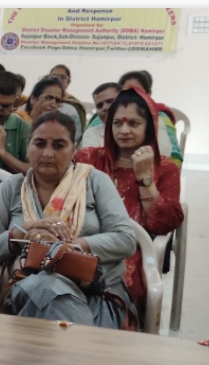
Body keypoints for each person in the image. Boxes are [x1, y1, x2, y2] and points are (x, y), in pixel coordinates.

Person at [0, 112, 138, 330]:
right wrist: (22, 233)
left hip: (97, 293)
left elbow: (126, 239)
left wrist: (66, 248)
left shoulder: (94, 182)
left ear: (74, 149)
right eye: (39, 144)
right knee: (46, 288)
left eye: (59, 145)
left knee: (51, 310)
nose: (47, 153)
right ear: (28, 146)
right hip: (30, 287)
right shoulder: (11, 188)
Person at [74, 87, 184, 316]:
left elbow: (162, 224)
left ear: (149, 127)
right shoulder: (88, 159)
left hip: (130, 249)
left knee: (123, 279)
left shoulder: (165, 168)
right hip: (82, 241)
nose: (124, 130)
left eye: (133, 123)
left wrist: (144, 177)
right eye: (117, 123)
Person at [81, 81, 175, 164]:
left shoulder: (153, 123)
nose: (104, 108)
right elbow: (90, 164)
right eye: (99, 105)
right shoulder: (91, 133)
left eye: (110, 101)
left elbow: (162, 154)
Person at [115, 71, 182, 168]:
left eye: (138, 92)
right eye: (127, 92)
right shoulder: (104, 117)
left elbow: (174, 157)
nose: (132, 97)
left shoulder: (160, 118)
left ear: (148, 94)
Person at [50, 64, 88, 131]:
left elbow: (80, 132)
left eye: (62, 77)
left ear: (68, 82)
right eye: (54, 77)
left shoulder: (75, 105)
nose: (57, 80)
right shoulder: (42, 100)